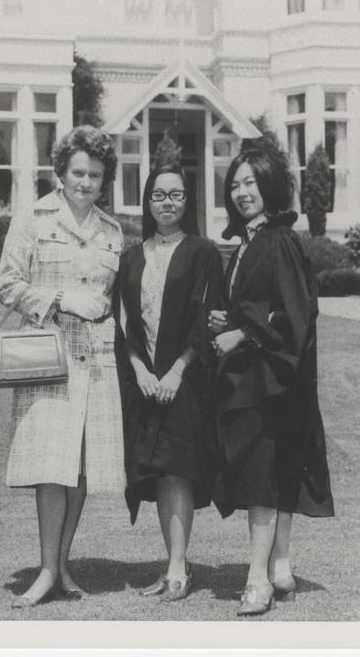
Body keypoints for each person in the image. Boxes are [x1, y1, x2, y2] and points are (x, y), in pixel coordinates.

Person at [0, 125, 124, 608]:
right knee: (52, 466)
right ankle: (47, 569)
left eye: (94, 174)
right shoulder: (32, 218)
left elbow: (113, 300)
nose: (85, 182)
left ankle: (63, 563)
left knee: (82, 469)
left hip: (99, 361)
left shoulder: (112, 231)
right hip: (49, 356)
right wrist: (61, 299)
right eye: (77, 172)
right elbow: (7, 285)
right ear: (60, 172)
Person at [207, 146, 334, 617]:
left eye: (251, 183)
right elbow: (267, 304)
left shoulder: (279, 239)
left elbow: (296, 313)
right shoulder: (249, 242)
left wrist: (243, 333)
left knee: (262, 477)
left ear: (270, 187)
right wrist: (230, 319)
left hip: (274, 379)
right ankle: (280, 566)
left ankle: (256, 579)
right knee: (273, 472)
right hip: (264, 377)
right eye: (236, 184)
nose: (242, 192)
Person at [114, 164, 224, 603]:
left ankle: (178, 567)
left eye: (176, 195)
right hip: (145, 380)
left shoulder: (203, 253)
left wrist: (176, 371)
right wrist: (141, 371)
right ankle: (173, 563)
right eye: (158, 195)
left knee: (179, 468)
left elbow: (207, 317)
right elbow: (124, 323)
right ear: (147, 201)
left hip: (186, 380)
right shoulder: (132, 257)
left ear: (188, 200)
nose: (167, 203)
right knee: (159, 470)